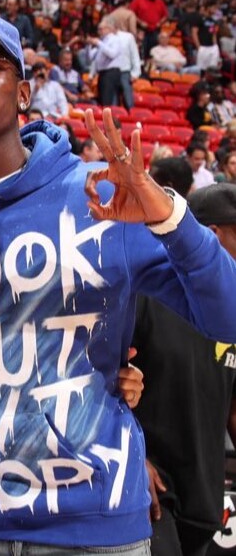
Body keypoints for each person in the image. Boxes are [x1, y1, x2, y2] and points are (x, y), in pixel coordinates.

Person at [0, 7, 236, 554]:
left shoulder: (102, 195)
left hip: (98, 527)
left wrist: (168, 216)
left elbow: (227, 316)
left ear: (23, 92)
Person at [133, 181, 236, 556]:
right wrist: (132, 457)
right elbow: (103, 380)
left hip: (205, 499)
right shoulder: (147, 292)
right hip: (153, 495)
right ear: (211, 236)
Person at [88, 16, 123, 107]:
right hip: (102, 73)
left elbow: (112, 54)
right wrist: (91, 45)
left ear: (109, 28)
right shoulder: (102, 41)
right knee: (102, 99)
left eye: (101, 29)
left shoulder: (115, 39)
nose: (99, 31)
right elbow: (93, 57)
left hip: (111, 72)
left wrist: (99, 44)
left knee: (107, 100)